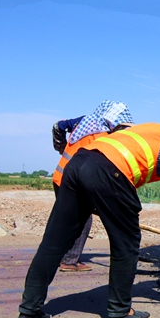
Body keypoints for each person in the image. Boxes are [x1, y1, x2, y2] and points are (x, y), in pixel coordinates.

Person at [17, 110, 160, 318]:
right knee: (127, 243)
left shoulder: (152, 129)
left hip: (79, 164)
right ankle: (120, 311)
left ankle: (29, 310)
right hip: (110, 171)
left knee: (54, 242)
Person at [51, 101, 134, 272]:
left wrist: (60, 146)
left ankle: (56, 253)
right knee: (82, 220)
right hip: (74, 182)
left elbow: (57, 126)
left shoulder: (83, 123)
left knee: (66, 218)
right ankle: (69, 261)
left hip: (61, 178)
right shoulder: (103, 137)